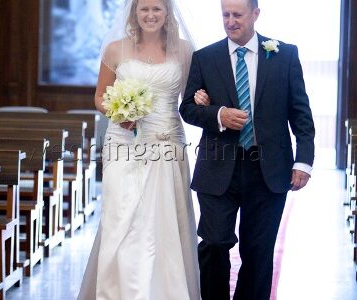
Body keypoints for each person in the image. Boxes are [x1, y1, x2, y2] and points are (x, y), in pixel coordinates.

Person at [179, 0, 315, 299]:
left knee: (258, 250)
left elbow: (300, 112)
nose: (230, 21)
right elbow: (187, 108)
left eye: (237, 15)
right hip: (218, 168)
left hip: (269, 169)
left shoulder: (284, 54)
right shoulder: (205, 57)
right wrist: (218, 115)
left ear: (255, 14)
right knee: (214, 243)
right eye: (225, 15)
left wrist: (303, 161)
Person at [78, 0, 200, 299]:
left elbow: (188, 100)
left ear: (167, 12)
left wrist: (201, 98)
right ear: (134, 12)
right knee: (121, 216)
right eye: (144, 9)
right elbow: (99, 96)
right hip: (123, 143)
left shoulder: (184, 51)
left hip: (167, 141)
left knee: (165, 220)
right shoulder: (115, 50)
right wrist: (119, 112)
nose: (150, 15)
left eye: (156, 9)